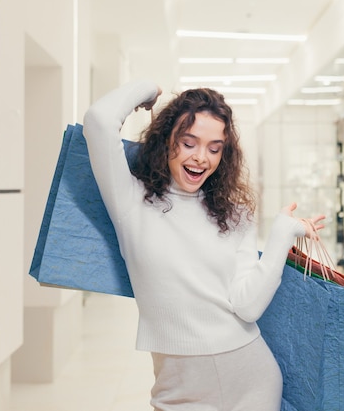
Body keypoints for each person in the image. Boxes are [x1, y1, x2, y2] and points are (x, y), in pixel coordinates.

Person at [82, 79, 325, 410]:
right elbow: (98, 120)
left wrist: (281, 235)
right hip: (177, 387)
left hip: (251, 378)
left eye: (214, 148)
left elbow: (248, 306)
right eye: (188, 142)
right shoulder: (131, 201)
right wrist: (148, 89)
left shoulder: (235, 213)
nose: (200, 158)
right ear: (167, 140)